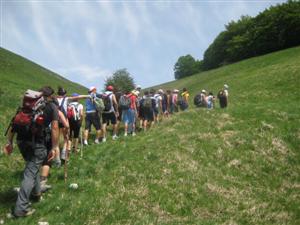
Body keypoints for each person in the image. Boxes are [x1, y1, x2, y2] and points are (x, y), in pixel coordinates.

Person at [3, 86, 59, 218]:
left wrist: (10, 142)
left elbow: (13, 124)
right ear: (50, 95)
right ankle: (20, 209)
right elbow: (55, 127)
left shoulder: (26, 106)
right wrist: (55, 147)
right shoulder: (51, 106)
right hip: (37, 144)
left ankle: (36, 193)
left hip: (21, 142)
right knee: (29, 173)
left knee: (32, 168)